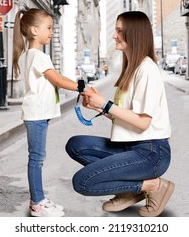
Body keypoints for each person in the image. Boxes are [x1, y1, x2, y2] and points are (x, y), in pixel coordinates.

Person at [66, 11, 175, 217]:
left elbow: (143, 123)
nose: (114, 35)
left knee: (82, 182)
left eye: (119, 30)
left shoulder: (147, 70)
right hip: (129, 146)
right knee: (76, 145)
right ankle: (127, 189)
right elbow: (127, 117)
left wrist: (106, 105)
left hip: (151, 153)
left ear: (133, 34)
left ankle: (151, 186)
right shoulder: (131, 68)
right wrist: (100, 107)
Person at [13, 8, 89, 217]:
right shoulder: (39, 56)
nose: (52, 32)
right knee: (36, 159)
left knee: (37, 158)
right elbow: (57, 79)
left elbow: (56, 78)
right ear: (34, 30)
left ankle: (39, 200)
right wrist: (81, 87)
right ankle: (38, 203)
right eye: (49, 28)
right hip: (36, 115)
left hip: (37, 114)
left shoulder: (33, 55)